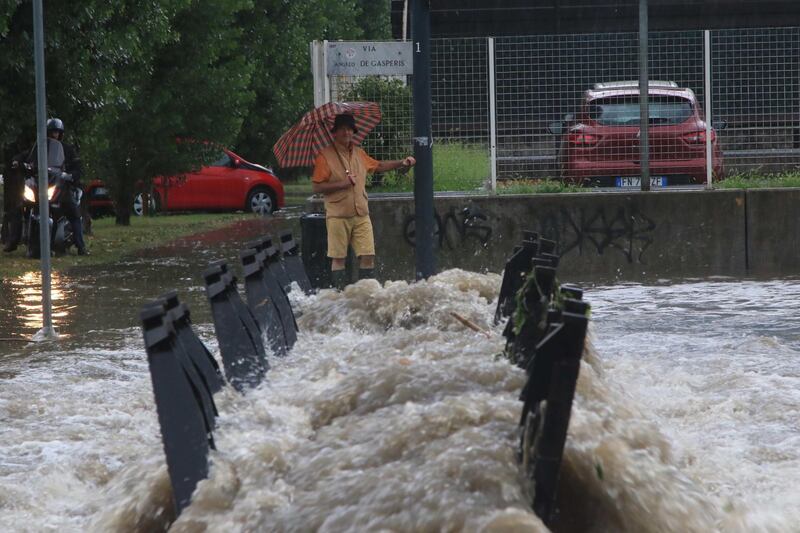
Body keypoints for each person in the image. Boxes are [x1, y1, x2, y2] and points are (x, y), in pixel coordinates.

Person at [311, 113, 416, 289]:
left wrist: (401, 162)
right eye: (342, 129)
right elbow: (317, 187)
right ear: (335, 132)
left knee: (368, 255)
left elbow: (379, 166)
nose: (347, 132)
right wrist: (342, 183)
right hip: (338, 215)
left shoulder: (359, 153)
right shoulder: (325, 156)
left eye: (349, 129)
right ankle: (340, 296)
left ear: (353, 132)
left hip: (361, 214)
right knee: (338, 258)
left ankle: (365, 295)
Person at [7, 118, 88, 255]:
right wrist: (17, 161)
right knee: (19, 208)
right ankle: (13, 242)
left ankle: (81, 246)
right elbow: (26, 156)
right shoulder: (39, 148)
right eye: (51, 132)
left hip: (60, 186)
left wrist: (71, 175)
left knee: (73, 212)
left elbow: (77, 167)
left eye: (56, 132)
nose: (54, 135)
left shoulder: (67, 150)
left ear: (61, 134)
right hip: (39, 185)